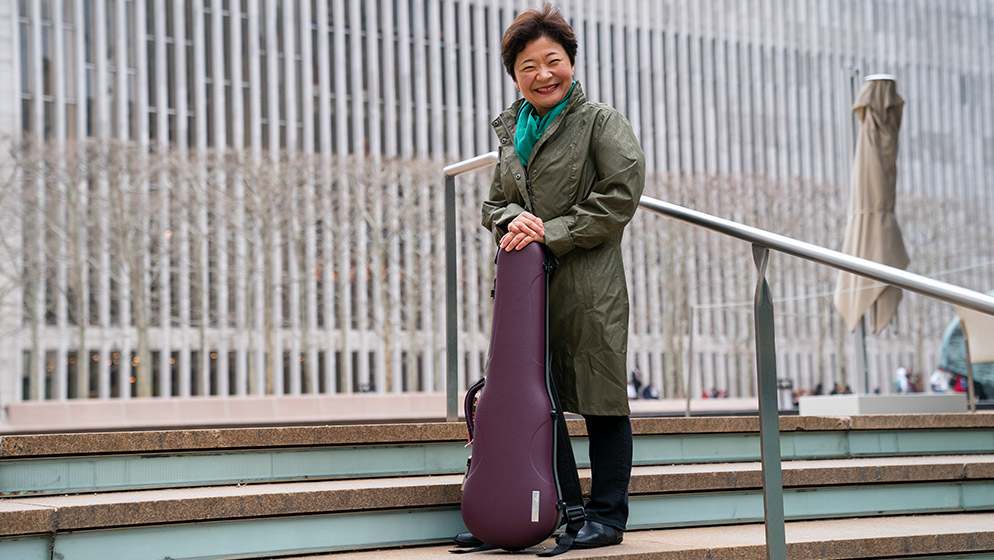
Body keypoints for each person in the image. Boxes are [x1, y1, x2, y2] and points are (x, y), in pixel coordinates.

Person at [459, 4, 646, 551]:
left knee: (601, 399)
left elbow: (619, 197)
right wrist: (510, 219)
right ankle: (563, 510)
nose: (543, 75)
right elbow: (496, 203)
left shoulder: (601, 122)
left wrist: (550, 230)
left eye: (553, 61)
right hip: (527, 292)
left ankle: (608, 517)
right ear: (514, 75)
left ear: (571, 61)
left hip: (589, 285)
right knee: (538, 398)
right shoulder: (511, 131)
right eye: (527, 66)